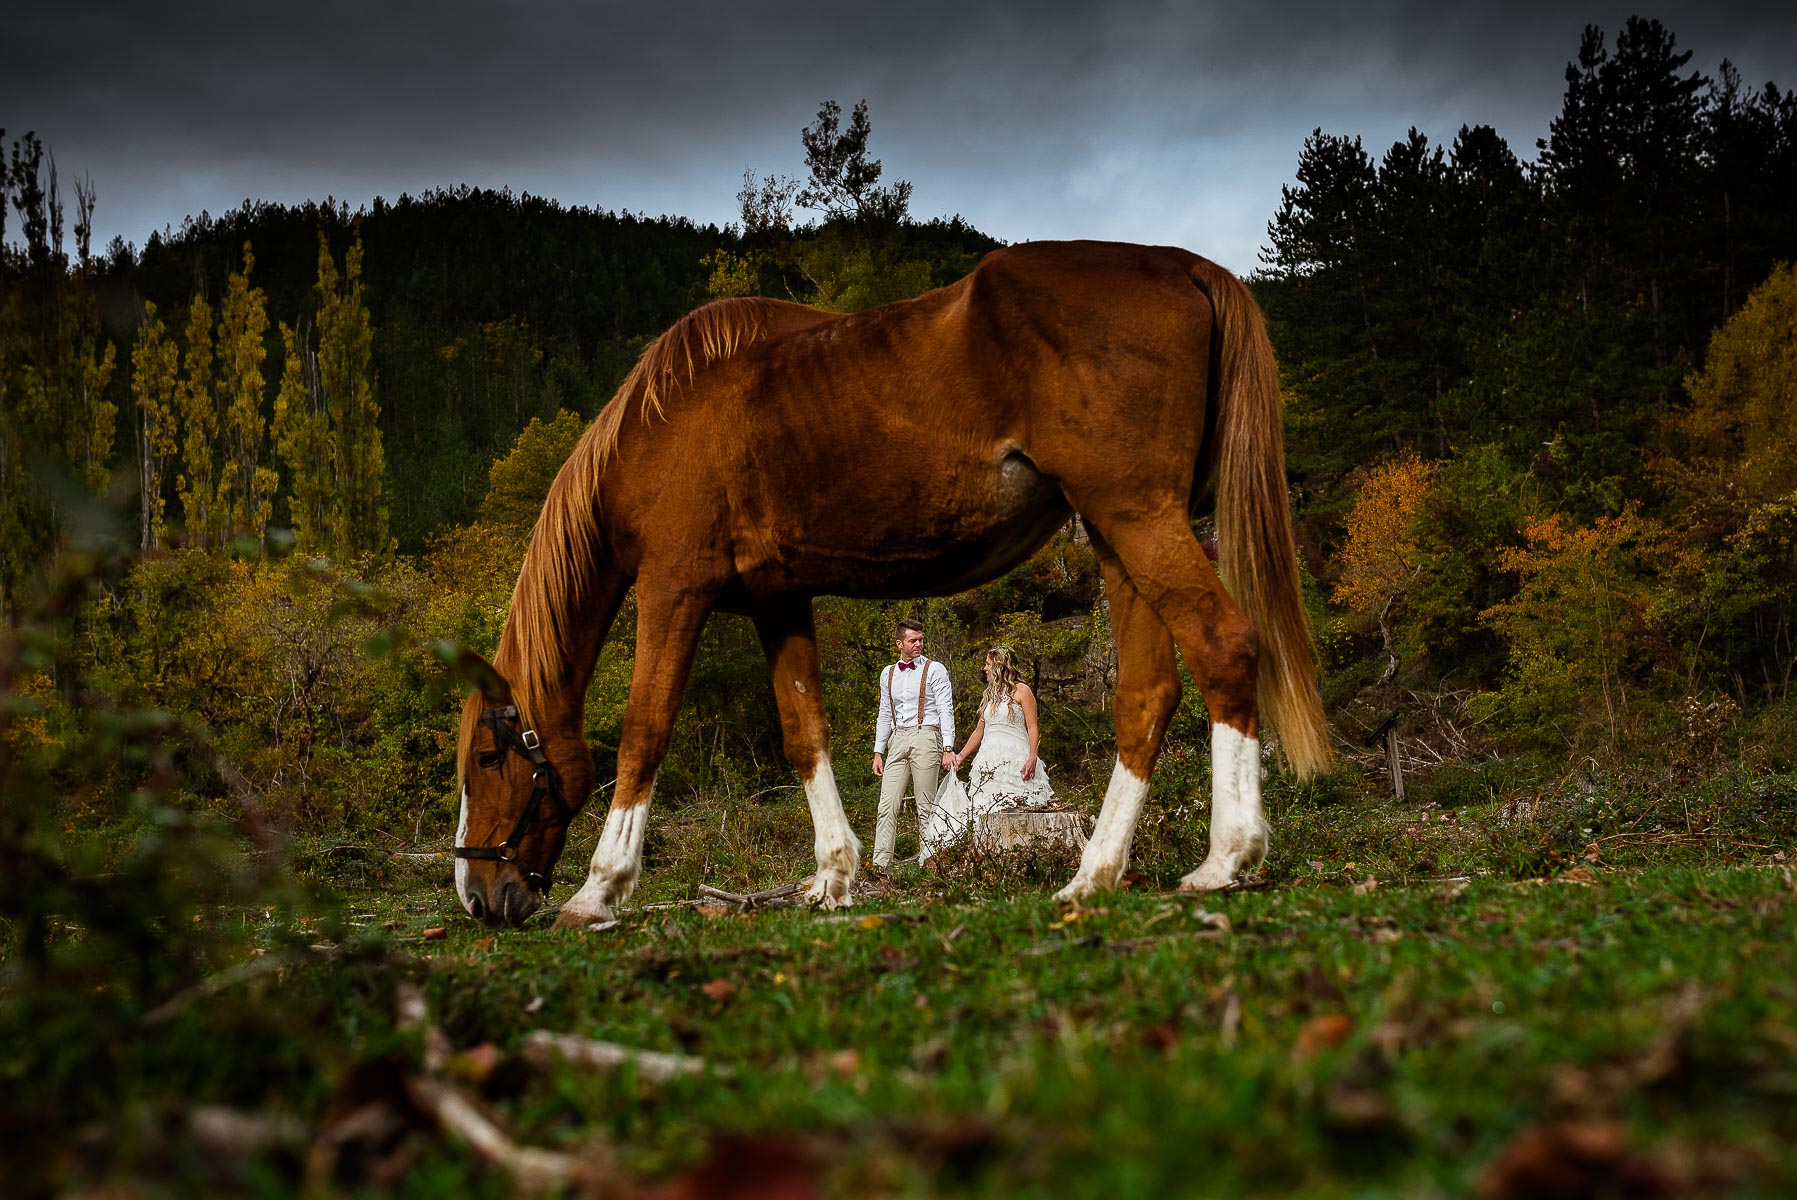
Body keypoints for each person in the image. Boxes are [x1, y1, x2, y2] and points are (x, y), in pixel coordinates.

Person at [924, 645, 1054, 859]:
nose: (984, 668)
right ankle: (993, 857)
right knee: (985, 809)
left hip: (1015, 759)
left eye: (988, 664)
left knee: (1018, 807)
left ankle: (1024, 854)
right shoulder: (990, 695)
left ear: (1000, 666)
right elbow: (979, 731)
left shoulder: (1022, 691)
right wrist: (961, 756)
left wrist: (1032, 757)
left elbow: (1033, 727)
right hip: (988, 760)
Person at [870, 617, 956, 870]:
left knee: (926, 805)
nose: (918, 644)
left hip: (926, 735)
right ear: (900, 643)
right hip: (897, 739)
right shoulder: (888, 673)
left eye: (920, 640)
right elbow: (884, 713)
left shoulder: (935, 669)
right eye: (913, 640)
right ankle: (880, 866)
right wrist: (878, 751)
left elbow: (945, 708)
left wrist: (948, 747)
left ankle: (927, 864)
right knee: (886, 805)